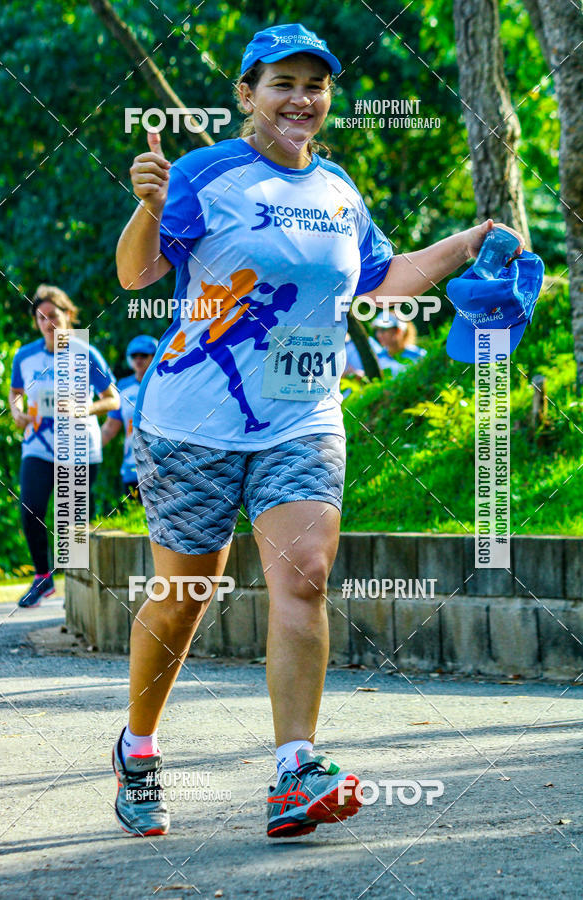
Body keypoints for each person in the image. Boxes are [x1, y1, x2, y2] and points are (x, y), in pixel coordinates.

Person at [112, 22, 524, 839]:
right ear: (248, 95)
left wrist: (470, 242)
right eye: (283, 84)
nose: (302, 99)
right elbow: (136, 273)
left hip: (302, 418)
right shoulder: (205, 173)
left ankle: (295, 770)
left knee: (303, 572)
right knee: (186, 599)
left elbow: (385, 278)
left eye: (316, 85)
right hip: (191, 421)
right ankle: (140, 746)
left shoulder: (339, 190)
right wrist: (150, 208)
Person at [9, 284, 119, 608]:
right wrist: (16, 412)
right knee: (30, 509)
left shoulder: (86, 353)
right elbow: (16, 392)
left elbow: (112, 399)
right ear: (36, 322)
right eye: (41, 317)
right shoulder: (24, 355)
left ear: (68, 316)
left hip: (79, 445)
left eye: (54, 316)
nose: (48, 323)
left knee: (73, 528)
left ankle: (77, 597)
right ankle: (43, 578)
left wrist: (82, 408)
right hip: (38, 444)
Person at [101, 335, 158, 500]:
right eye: (134, 356)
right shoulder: (122, 387)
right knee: (134, 519)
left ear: (155, 356)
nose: (138, 360)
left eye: (144, 355)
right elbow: (111, 427)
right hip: (132, 466)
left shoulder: (165, 384)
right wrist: (87, 449)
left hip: (163, 467)